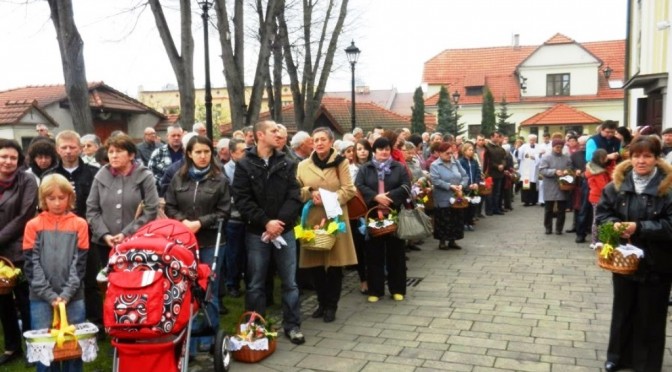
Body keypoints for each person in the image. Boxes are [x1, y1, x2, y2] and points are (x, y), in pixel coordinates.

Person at [596, 136, 672, 372]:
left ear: (656, 158)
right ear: (630, 157)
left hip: (657, 261)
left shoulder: (667, 188)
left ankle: (647, 363)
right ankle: (617, 356)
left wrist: (639, 228)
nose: (641, 160)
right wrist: (614, 226)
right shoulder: (616, 186)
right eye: (637, 155)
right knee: (623, 310)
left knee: (650, 315)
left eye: (647, 155)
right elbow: (602, 216)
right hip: (624, 260)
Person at [231, 120, 305, 344]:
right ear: (260, 135)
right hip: (257, 232)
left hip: (285, 230)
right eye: (273, 130)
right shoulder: (245, 164)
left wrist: (279, 222)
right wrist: (266, 222)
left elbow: (295, 195)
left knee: (290, 282)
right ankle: (255, 328)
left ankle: (292, 326)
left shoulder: (287, 161)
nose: (279, 134)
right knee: (255, 283)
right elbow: (242, 200)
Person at [165, 135, 230, 353]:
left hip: (211, 241)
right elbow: (170, 206)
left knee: (207, 288)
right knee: (184, 289)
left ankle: (212, 335)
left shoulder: (219, 180)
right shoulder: (178, 179)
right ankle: (188, 337)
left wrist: (199, 223)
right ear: (189, 154)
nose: (203, 156)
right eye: (198, 152)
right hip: (183, 244)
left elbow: (224, 211)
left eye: (206, 152)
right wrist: (183, 222)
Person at [23, 174, 88, 372]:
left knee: (73, 347)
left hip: (74, 296)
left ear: (70, 197)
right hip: (40, 298)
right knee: (45, 349)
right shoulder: (33, 226)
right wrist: (50, 296)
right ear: (43, 199)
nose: (57, 203)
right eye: (51, 198)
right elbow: (31, 265)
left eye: (62, 197)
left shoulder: (80, 224)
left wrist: (67, 294)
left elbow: (80, 264)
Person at [296, 128, 357, 323]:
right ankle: (321, 303)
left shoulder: (342, 163)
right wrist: (310, 191)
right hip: (312, 218)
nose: (319, 143)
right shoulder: (303, 165)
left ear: (331, 142)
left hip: (335, 218)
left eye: (323, 139)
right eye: (316, 140)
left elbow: (349, 190)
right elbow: (297, 189)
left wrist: (328, 199)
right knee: (315, 265)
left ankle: (332, 305)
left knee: (334, 265)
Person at [49, 131, 103, 331]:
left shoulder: (93, 172)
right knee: (63, 277)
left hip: (87, 232)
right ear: (57, 149)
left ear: (80, 148)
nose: (69, 151)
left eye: (72, 147)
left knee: (90, 277)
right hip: (59, 234)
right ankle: (67, 319)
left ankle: (96, 321)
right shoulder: (51, 175)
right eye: (64, 147)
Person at [86, 134, 159, 265]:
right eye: (111, 152)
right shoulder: (101, 176)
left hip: (138, 242)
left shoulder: (145, 176)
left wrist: (126, 234)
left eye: (119, 151)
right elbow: (92, 211)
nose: (114, 155)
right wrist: (104, 235)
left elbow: (151, 210)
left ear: (131, 155)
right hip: (105, 245)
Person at [355, 137, 410, 303]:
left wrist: (390, 197)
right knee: (374, 255)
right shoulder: (366, 168)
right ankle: (376, 290)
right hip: (372, 215)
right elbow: (359, 186)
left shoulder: (398, 167)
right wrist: (375, 197)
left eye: (386, 149)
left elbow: (406, 186)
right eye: (380, 149)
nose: (384, 152)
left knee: (396, 254)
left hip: (393, 214)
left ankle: (397, 289)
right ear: (375, 151)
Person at [0, 139, 38, 366]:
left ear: (19, 160)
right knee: (2, 301)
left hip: (20, 249)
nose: (7, 161)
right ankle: (12, 346)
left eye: (12, 157)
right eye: (3, 156)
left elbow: (24, 215)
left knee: (25, 299)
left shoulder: (27, 180)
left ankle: (33, 346)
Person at [431, 142, 470, 249]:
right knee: (444, 218)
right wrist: (450, 186)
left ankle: (453, 240)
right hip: (442, 197)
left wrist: (461, 186)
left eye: (451, 153)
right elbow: (435, 180)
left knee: (456, 218)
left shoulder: (455, 162)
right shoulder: (435, 165)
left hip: (457, 196)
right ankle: (442, 241)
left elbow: (465, 176)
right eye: (447, 153)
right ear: (440, 153)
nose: (449, 155)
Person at [222, 138, 247, 299]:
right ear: (232, 153)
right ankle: (232, 284)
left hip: (248, 218)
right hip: (233, 219)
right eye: (242, 151)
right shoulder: (225, 171)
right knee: (233, 253)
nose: (246, 153)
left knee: (246, 253)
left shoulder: (247, 167)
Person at [539, 139, 572, 234]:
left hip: (563, 185)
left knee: (562, 209)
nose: (559, 149)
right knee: (548, 209)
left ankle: (559, 228)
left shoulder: (566, 158)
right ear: (553, 147)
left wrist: (567, 171)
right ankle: (548, 228)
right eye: (557, 147)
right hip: (550, 185)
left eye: (561, 147)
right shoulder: (546, 157)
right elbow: (542, 170)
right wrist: (554, 171)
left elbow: (570, 167)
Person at [585, 149, 611, 244]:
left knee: (596, 219)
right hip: (598, 197)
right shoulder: (598, 172)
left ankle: (595, 241)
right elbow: (603, 186)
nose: (607, 159)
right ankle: (595, 241)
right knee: (597, 220)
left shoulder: (594, 169)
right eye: (605, 157)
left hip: (595, 196)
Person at [458, 142, 481, 232]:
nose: (472, 151)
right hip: (465, 188)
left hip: (473, 187)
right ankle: (464, 223)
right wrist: (467, 185)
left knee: (472, 206)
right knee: (464, 205)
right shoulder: (460, 162)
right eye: (469, 150)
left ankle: (470, 222)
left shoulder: (474, 161)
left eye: (472, 150)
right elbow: (460, 175)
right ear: (464, 151)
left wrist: (476, 183)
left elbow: (478, 173)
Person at [483, 132, 507, 216]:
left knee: (497, 192)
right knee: (489, 192)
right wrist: (497, 166)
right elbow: (488, 161)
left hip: (499, 173)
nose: (497, 138)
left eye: (498, 137)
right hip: (490, 173)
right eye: (496, 137)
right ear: (491, 137)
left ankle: (496, 208)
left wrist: (503, 165)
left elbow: (504, 158)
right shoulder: (487, 148)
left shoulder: (500, 148)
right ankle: (489, 210)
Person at [517, 134, 541, 206]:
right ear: (528, 140)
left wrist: (536, 158)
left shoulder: (538, 146)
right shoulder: (524, 146)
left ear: (536, 140)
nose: (532, 141)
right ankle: (526, 201)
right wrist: (519, 149)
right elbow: (519, 155)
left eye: (534, 140)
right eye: (531, 140)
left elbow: (540, 157)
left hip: (534, 168)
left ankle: (534, 200)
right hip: (526, 168)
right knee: (526, 184)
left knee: (534, 184)